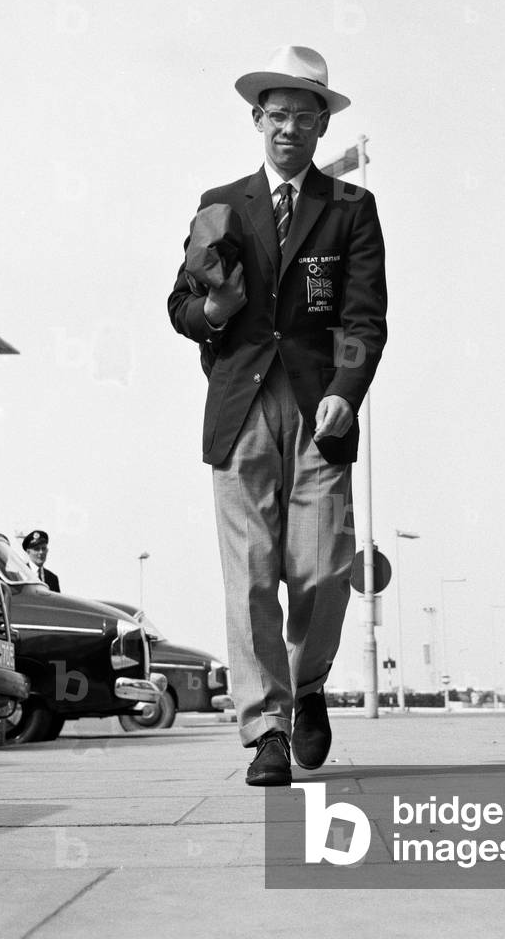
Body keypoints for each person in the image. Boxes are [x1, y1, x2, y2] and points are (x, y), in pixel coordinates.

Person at [167, 45, 388, 786]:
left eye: (304, 116)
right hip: (239, 408)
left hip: (320, 410)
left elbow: (364, 317)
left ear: (322, 126)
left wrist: (346, 389)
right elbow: (179, 306)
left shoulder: (351, 208)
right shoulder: (220, 202)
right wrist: (213, 309)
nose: (289, 128)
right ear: (256, 120)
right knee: (252, 575)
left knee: (322, 569)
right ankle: (266, 729)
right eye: (277, 115)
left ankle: (307, 684)